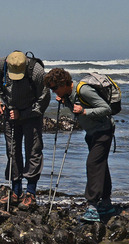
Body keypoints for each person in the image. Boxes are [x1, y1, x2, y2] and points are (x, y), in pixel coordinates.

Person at [44, 68, 116, 222]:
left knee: (93, 164)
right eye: (51, 89)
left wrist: (84, 112)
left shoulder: (83, 90)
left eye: (54, 88)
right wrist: (66, 102)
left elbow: (106, 109)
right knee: (100, 165)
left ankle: (92, 206)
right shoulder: (69, 94)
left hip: (103, 131)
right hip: (92, 133)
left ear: (63, 83)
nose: (53, 92)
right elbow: (76, 109)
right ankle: (106, 203)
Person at [0, 51, 50, 210]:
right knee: (12, 151)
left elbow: (43, 101)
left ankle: (30, 193)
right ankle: (16, 191)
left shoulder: (36, 71)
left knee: (33, 151)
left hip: (32, 115)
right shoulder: (0, 65)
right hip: (9, 114)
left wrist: (23, 114)